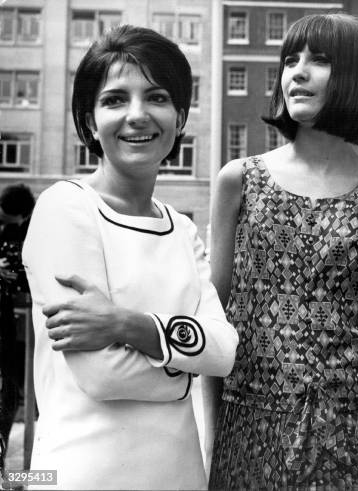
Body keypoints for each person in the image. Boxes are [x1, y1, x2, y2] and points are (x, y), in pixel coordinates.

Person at [208, 13, 358, 490]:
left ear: (356, 77)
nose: (297, 72)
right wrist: (210, 440)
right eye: (291, 60)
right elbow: (213, 321)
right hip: (249, 434)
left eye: (319, 60)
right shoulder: (239, 180)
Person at [22, 25, 238, 490]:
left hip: (178, 475)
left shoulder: (179, 227)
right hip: (81, 474)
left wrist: (127, 326)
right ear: (88, 121)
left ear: (180, 116)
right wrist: (189, 368)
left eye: (156, 98)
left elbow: (226, 349)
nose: (138, 115)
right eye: (115, 99)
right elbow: (102, 375)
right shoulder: (65, 208)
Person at [0, 184, 35, 472]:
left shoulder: (35, 232)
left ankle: (31, 468)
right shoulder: (5, 230)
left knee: (22, 387)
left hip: (28, 321)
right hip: (9, 319)